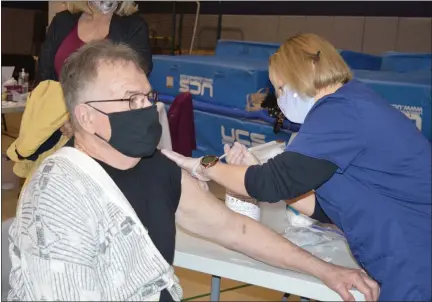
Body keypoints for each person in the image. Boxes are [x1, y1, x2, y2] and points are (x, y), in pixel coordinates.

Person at [7, 40, 378, 302]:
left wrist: (325, 270)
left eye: (147, 98)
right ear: (86, 116)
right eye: (129, 100)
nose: (146, 109)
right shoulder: (59, 194)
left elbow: (237, 230)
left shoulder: (155, 167)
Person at [162, 33, 431, 301]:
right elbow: (327, 207)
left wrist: (205, 166)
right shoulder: (349, 104)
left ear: (300, 75)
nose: (279, 98)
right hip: (404, 255)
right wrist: (255, 169)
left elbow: (272, 182)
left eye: (280, 88)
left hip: (416, 258)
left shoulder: (340, 112)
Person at [39, 1, 152, 139]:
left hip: (107, 128)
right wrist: (61, 116)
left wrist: (81, 119)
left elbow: (133, 85)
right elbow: (45, 78)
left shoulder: (134, 27)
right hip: (55, 124)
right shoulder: (62, 22)